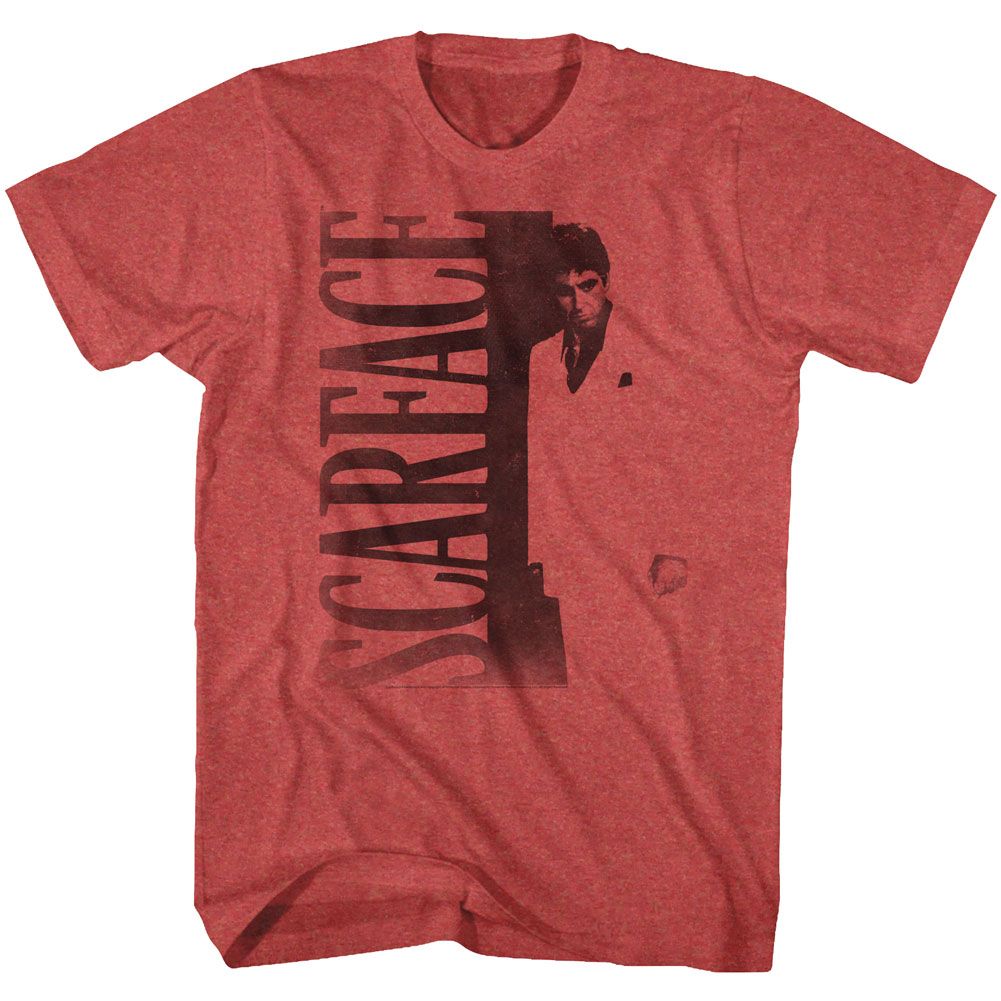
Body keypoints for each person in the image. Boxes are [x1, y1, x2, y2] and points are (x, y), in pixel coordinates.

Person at [550, 223, 614, 393]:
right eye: (565, 292)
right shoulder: (541, 354)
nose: (578, 304)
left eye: (587, 286)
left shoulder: (640, 346)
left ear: (606, 281)